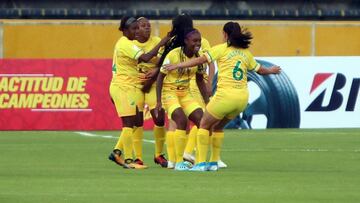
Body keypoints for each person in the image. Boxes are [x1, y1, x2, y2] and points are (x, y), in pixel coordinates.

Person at [164, 22, 281, 171]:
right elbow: (261, 70)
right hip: (242, 100)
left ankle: (200, 163)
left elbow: (200, 60)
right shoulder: (246, 53)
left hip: (225, 97)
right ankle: (213, 162)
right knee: (218, 127)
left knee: (204, 125)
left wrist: (178, 65)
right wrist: (272, 70)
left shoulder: (221, 49)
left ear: (225, 34)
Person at [108, 16, 169, 169]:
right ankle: (129, 160)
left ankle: (117, 152)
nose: (137, 31)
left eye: (138, 28)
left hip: (130, 86)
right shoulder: (126, 44)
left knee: (133, 123)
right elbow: (146, 57)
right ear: (125, 30)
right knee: (129, 124)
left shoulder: (126, 43)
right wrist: (163, 42)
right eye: (134, 28)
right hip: (124, 87)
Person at [155, 28, 209, 171]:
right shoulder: (173, 55)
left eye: (199, 41)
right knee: (181, 120)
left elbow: (200, 81)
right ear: (186, 41)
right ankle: (179, 162)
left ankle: (200, 162)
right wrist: (158, 101)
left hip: (185, 93)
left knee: (202, 121)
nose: (198, 44)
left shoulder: (199, 59)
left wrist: (207, 101)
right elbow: (160, 77)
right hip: (169, 93)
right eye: (194, 41)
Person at [131, 17, 168, 168]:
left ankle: (158, 155)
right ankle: (138, 157)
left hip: (152, 85)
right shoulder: (131, 44)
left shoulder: (156, 40)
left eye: (148, 25)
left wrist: (157, 69)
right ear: (136, 29)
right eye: (143, 25)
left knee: (159, 118)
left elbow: (165, 62)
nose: (147, 28)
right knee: (136, 120)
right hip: (135, 85)